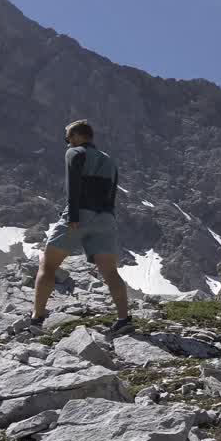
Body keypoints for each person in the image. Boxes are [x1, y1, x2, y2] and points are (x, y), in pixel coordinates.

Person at [30, 119, 134, 335]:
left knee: (47, 266)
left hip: (79, 214)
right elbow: (112, 194)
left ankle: (36, 318)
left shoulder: (75, 153)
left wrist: (74, 215)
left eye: (67, 138)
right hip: (105, 218)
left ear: (77, 136)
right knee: (110, 272)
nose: (67, 143)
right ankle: (124, 319)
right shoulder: (110, 161)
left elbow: (73, 184)